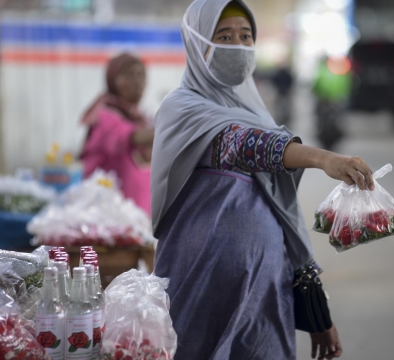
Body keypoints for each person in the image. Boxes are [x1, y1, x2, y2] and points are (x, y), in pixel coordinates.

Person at [151, 1, 374, 359]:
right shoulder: (182, 108)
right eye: (223, 36)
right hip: (200, 283)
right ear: (196, 42)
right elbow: (243, 145)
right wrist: (322, 158)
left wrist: (317, 310)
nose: (237, 46)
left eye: (245, 36)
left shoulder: (257, 113)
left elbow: (288, 216)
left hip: (265, 291)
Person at [80, 53, 154, 215]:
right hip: (107, 217)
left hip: (135, 217)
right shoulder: (105, 115)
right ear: (113, 80)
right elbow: (131, 137)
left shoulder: (141, 118)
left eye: (141, 75)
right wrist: (172, 129)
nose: (137, 81)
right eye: (130, 75)